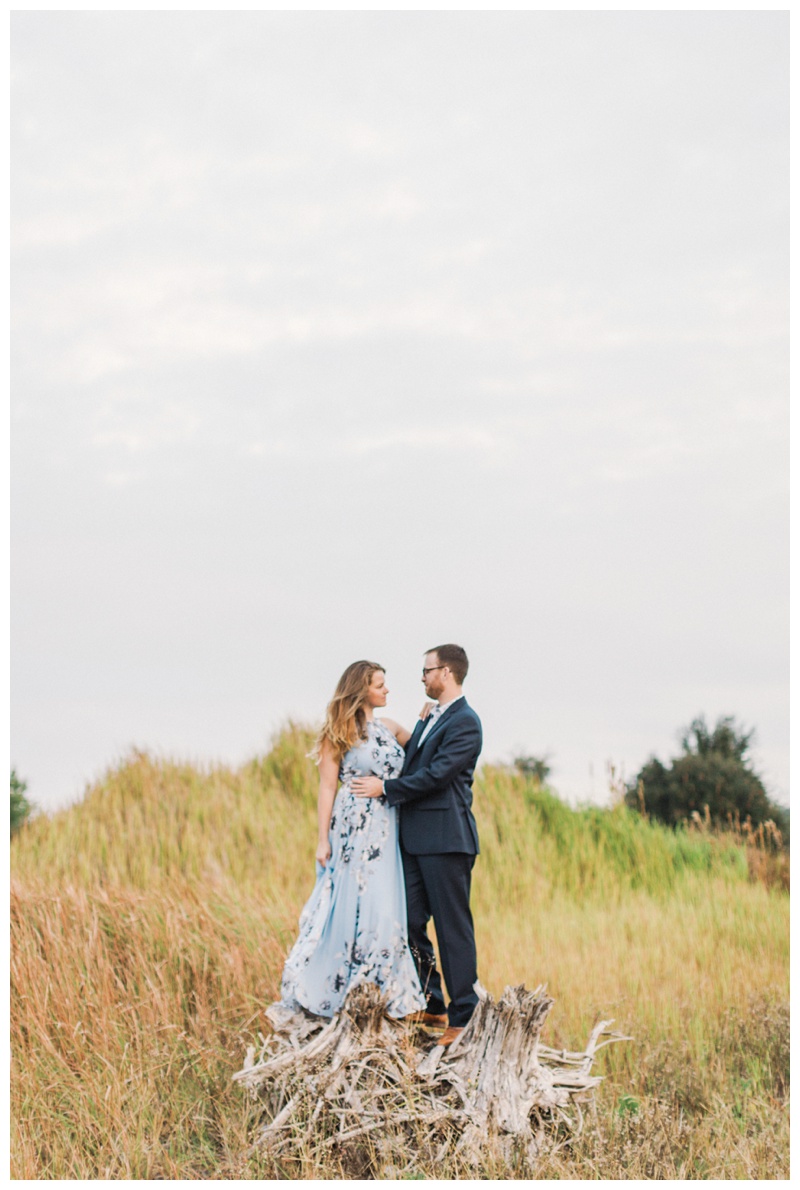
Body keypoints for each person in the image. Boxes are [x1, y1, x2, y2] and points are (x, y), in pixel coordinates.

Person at [275, 660, 426, 1020]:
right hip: (353, 826)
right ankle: (343, 987)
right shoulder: (337, 732)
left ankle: (386, 990)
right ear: (362, 690)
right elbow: (327, 787)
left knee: (385, 904)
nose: (387, 690)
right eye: (380, 684)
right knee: (354, 900)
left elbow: (422, 750)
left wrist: (426, 719)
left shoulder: (391, 728)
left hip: (389, 826)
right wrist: (322, 839)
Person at [352, 644, 482, 1049]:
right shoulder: (432, 718)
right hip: (415, 840)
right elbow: (415, 758)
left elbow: (437, 775)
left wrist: (384, 788)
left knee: (451, 929)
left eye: (426, 671)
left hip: (447, 839)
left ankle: (464, 1016)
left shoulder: (466, 722)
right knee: (408, 920)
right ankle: (432, 1002)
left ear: (445, 672)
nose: (422, 678)